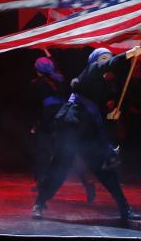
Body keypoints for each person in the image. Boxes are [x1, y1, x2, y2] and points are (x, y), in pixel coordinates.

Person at [32, 46, 141, 222]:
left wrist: (111, 114)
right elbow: (112, 64)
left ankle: (125, 208)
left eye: (108, 57)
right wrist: (130, 53)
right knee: (59, 168)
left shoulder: (106, 83)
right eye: (103, 58)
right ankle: (39, 203)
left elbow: (96, 111)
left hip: (87, 131)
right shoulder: (92, 70)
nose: (107, 61)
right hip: (72, 126)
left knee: (104, 170)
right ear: (95, 60)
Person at [29, 56, 96, 202]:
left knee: (45, 153)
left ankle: (41, 184)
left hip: (49, 121)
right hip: (63, 119)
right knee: (68, 155)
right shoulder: (60, 81)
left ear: (37, 69)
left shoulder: (38, 84)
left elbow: (37, 107)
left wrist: (36, 124)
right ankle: (87, 183)